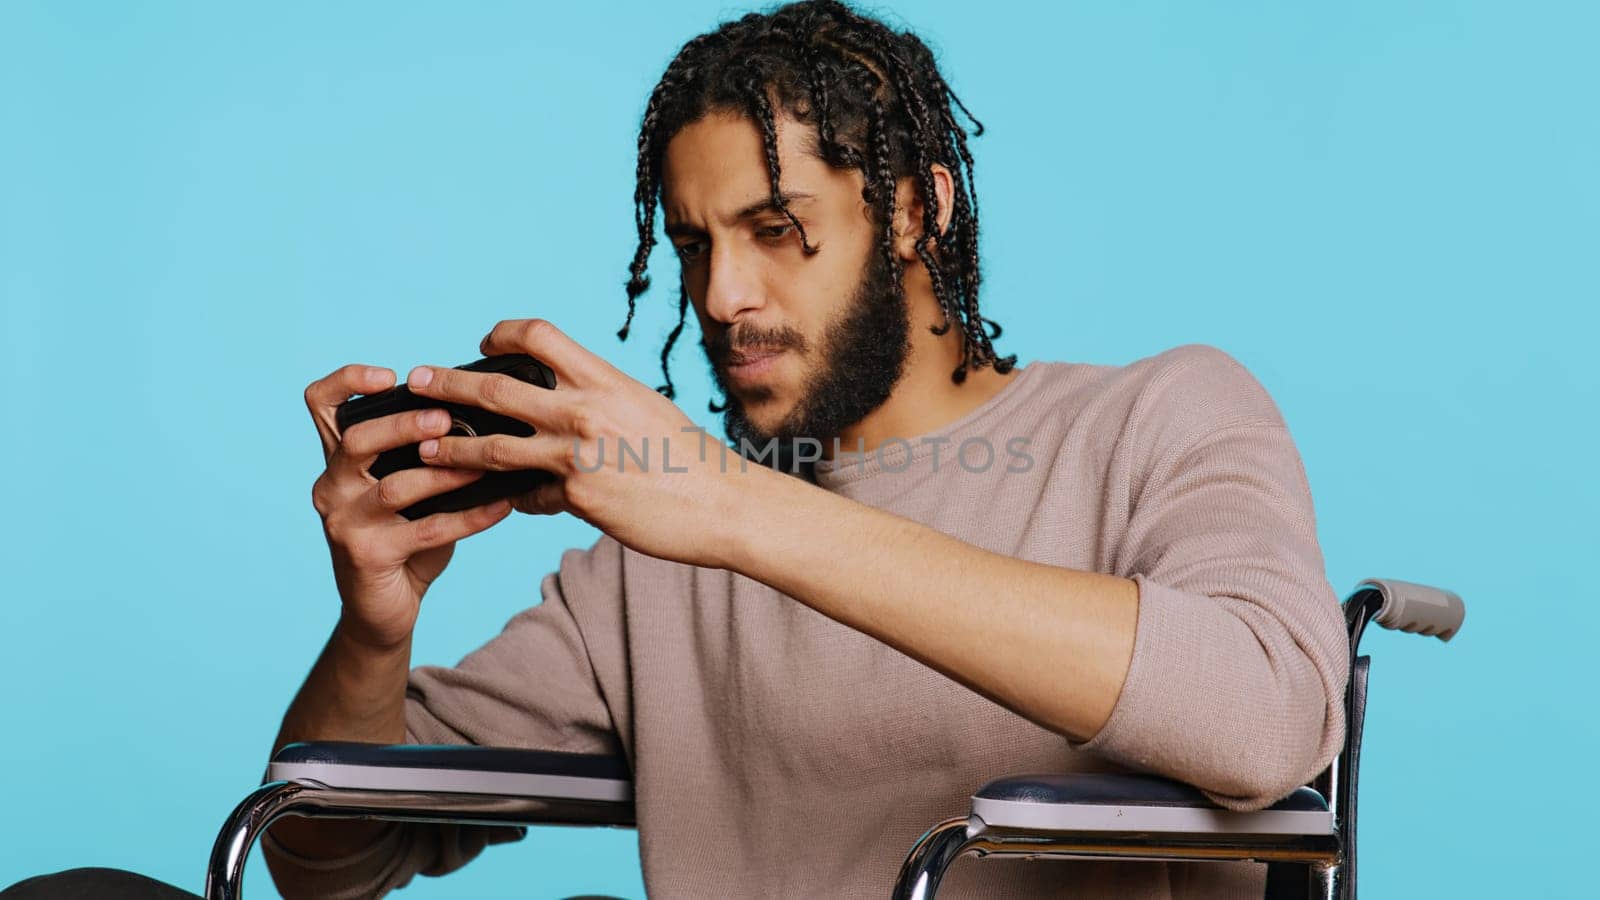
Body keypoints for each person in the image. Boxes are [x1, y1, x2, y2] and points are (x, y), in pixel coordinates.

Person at [3, 1, 1348, 897]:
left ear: (920, 211)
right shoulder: (661, 548)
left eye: (776, 229)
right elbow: (327, 856)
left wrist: (739, 514)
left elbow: (1266, 717)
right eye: (697, 244)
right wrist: (374, 626)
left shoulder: (1160, 415)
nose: (720, 298)